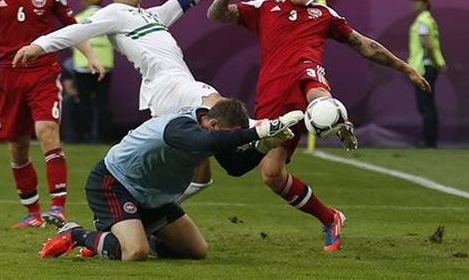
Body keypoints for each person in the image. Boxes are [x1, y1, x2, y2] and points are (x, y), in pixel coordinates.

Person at [206, 0, 431, 251]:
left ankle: (334, 115)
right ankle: (330, 217)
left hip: (308, 80)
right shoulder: (264, 9)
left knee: (314, 86)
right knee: (271, 175)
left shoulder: (323, 14)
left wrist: (406, 69)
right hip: (273, 99)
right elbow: (216, 15)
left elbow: (365, 45)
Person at [12, 0, 235, 205]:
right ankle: (262, 134)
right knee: (220, 107)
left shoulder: (154, 15)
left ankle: (147, 210)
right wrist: (39, 45)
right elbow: (76, 31)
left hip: (173, 91)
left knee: (201, 176)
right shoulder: (114, 13)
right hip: (169, 89)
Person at [38, 99, 303, 261]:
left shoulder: (211, 131)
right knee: (135, 253)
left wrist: (264, 146)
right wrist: (258, 130)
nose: (225, 141)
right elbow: (206, 141)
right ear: (210, 123)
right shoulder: (181, 125)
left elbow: (234, 167)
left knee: (196, 251)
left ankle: (119, 239)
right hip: (116, 183)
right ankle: (76, 234)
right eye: (224, 135)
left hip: (153, 195)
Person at [0, 0, 104, 228]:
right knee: (17, 148)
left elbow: (73, 27)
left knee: (47, 131)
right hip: (9, 78)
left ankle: (58, 208)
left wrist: (91, 56)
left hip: (43, 71)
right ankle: (32, 213)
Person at [73, 0, 114, 143]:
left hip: (83, 66)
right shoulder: (109, 18)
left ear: (89, 1)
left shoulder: (79, 18)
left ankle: (82, 137)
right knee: (102, 103)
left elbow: (72, 41)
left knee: (84, 102)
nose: (81, 1)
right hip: (105, 66)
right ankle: (102, 138)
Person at [408, 0, 446, 148]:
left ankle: (428, 141)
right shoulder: (429, 19)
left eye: (417, 1)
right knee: (428, 104)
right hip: (430, 66)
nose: (414, 4)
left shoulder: (423, 21)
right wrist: (438, 64)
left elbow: (428, 45)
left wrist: (433, 62)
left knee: (425, 105)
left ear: (425, 3)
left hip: (424, 67)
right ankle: (430, 140)